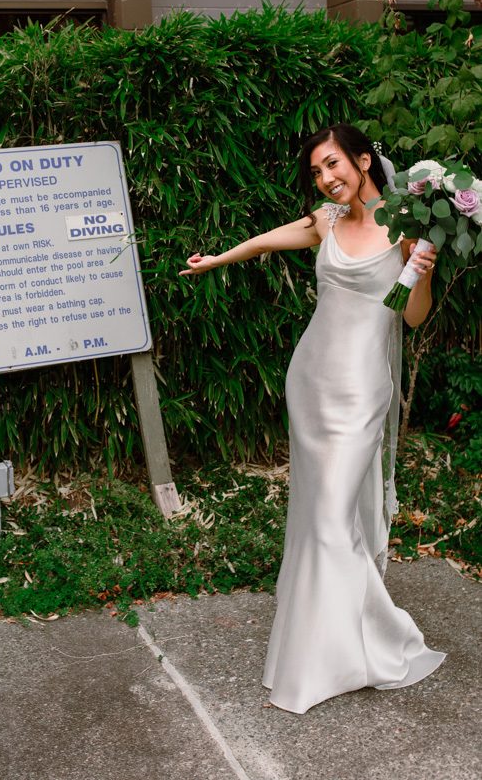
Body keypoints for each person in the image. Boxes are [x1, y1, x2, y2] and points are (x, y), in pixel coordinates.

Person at [179, 123, 446, 714]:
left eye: (334, 165)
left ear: (365, 161)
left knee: (333, 520)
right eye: (318, 172)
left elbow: (411, 319)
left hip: (361, 389)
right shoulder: (325, 222)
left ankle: (378, 641)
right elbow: (265, 242)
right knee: (315, 516)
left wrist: (419, 273)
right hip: (310, 383)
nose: (327, 180)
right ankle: (329, 647)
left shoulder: (406, 230)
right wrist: (216, 259)